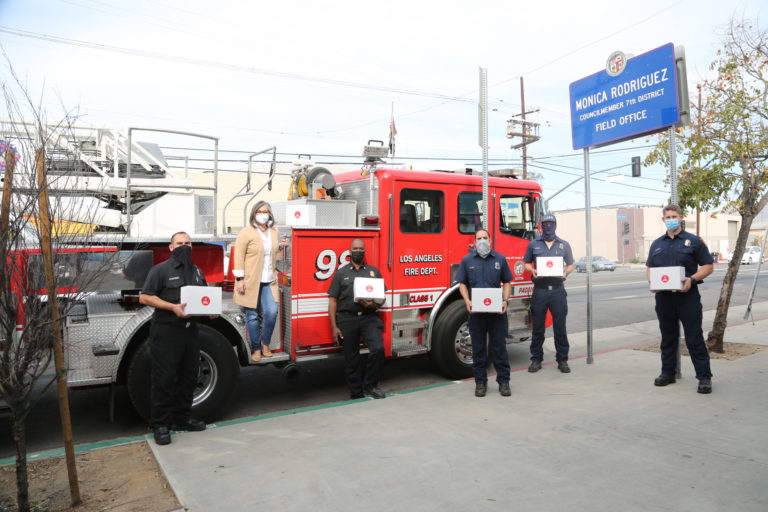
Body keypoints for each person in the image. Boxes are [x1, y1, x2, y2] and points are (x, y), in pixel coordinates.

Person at [140, 232, 208, 445]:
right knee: (165, 379)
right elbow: (145, 297)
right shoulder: (160, 270)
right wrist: (172, 307)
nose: (184, 246)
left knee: (189, 376)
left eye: (188, 243)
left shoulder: (197, 272)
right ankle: (160, 424)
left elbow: (204, 298)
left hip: (191, 331)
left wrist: (211, 310)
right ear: (171, 247)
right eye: (180, 243)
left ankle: (183, 418)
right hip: (167, 331)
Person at [646, 204, 714, 394]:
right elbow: (650, 267)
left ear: (681, 218)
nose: (671, 219)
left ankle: (704, 377)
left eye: (674, 216)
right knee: (668, 337)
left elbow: (708, 266)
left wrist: (692, 279)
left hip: (687, 296)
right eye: (667, 217)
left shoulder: (694, 241)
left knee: (694, 338)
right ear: (663, 220)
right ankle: (668, 373)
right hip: (664, 298)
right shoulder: (657, 244)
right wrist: (652, 282)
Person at [456, 229, 513, 397]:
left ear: (490, 240)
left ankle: (504, 382)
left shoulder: (500, 259)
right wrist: (467, 301)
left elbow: (508, 282)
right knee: (478, 349)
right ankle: (480, 383)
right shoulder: (467, 260)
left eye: (485, 238)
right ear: (474, 241)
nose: (482, 241)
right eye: (479, 238)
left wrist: (505, 300)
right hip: (476, 314)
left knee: (499, 348)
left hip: (496, 313)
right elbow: (462, 284)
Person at [327, 238, 386, 399]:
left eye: (361, 249)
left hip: (370, 318)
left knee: (378, 349)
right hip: (347, 319)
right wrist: (334, 327)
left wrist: (371, 305)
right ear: (350, 251)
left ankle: (370, 385)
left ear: (364, 251)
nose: (358, 251)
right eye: (355, 249)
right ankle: (356, 393)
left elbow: (381, 299)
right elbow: (332, 301)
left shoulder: (373, 272)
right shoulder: (341, 273)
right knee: (352, 358)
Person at [523, 214, 575, 374]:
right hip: (540, 291)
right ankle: (536, 360)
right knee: (538, 328)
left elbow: (571, 264)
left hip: (558, 291)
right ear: (541, 225)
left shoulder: (564, 245)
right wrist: (532, 270)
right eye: (545, 223)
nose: (548, 226)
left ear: (555, 225)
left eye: (551, 223)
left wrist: (565, 273)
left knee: (560, 327)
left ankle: (563, 360)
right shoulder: (534, 244)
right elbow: (525, 263)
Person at [233, 201, 284, 362]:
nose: (263, 214)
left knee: (271, 312)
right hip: (250, 281)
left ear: (270, 214)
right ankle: (256, 348)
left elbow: (270, 252)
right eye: (259, 211)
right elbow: (238, 256)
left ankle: (265, 343)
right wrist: (240, 279)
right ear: (254, 214)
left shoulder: (274, 232)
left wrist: (280, 247)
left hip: (269, 280)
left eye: (266, 211)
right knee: (252, 316)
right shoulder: (246, 232)